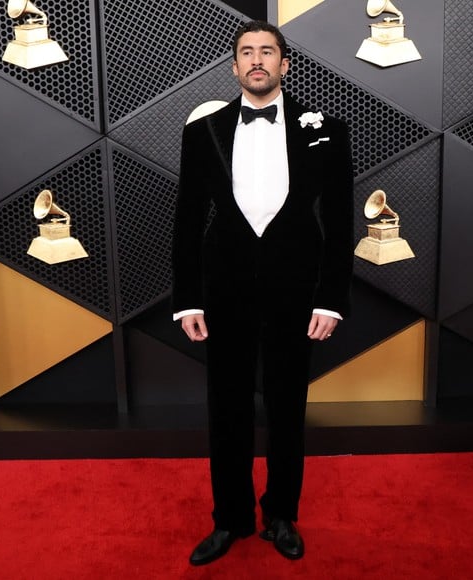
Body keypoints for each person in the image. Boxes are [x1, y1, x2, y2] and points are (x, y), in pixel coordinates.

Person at [171, 20, 353, 565]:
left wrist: (331, 299)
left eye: (267, 52)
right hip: (222, 290)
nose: (257, 61)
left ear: (284, 64)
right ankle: (230, 518)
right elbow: (186, 221)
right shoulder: (202, 131)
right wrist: (188, 298)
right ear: (233, 66)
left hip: (297, 292)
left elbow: (342, 223)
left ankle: (281, 514)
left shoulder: (326, 129)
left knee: (286, 407)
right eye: (246, 52)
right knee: (225, 408)